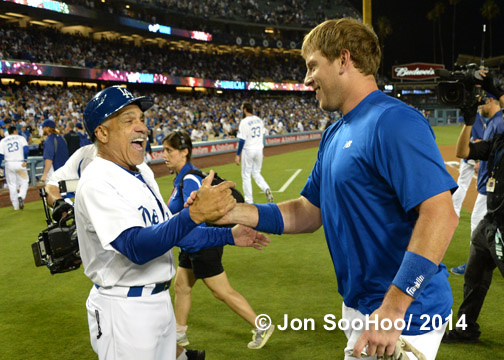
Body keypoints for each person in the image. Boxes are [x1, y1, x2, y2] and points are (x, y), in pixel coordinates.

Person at [208, 18, 459, 359]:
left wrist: (394, 308)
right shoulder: (335, 133)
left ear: (343, 60)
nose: (307, 78)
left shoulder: (394, 121)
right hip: (362, 306)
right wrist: (234, 211)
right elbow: (307, 212)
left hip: (404, 313)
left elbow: (441, 215)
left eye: (313, 66)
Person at [75, 85, 269, 360]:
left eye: (142, 119)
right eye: (129, 120)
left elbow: (176, 235)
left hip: (159, 303)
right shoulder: (96, 181)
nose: (142, 127)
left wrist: (229, 236)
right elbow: (135, 246)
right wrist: (193, 215)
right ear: (102, 132)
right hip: (124, 310)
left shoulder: (141, 172)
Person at [164, 130, 275, 350]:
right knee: (182, 286)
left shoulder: (189, 180)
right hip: (190, 246)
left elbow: (199, 216)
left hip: (201, 244)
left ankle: (261, 325)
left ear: (184, 152)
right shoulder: (183, 179)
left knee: (221, 291)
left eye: (169, 150)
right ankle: (178, 334)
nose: (164, 155)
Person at [442, 90, 504, 344]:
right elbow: (463, 151)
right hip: (491, 220)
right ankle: (466, 328)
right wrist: (469, 122)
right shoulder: (497, 141)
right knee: (474, 276)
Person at [450, 93, 504, 276]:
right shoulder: (493, 122)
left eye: (482, 104)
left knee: (478, 225)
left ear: (491, 101)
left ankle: (474, 265)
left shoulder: (498, 123)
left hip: (493, 188)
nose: (479, 108)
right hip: (488, 185)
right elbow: (463, 151)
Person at [235, 102, 274, 204]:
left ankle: (249, 201)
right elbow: (262, 136)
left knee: (246, 175)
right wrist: (262, 151)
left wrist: (237, 154)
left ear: (244, 110)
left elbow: (242, 140)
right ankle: (266, 189)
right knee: (256, 173)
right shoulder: (259, 120)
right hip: (258, 149)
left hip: (248, 150)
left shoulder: (244, 122)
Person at [0, 125, 29, 210]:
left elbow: (1, 155)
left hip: (9, 164)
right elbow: (26, 150)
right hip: (20, 164)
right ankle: (21, 196)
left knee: (12, 185)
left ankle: (16, 206)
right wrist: (25, 160)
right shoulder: (21, 138)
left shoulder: (3, 141)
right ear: (15, 131)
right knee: (24, 181)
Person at [40, 119, 69, 183]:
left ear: (48, 128)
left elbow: (49, 159)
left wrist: (44, 174)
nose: (42, 129)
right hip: (64, 171)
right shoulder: (62, 138)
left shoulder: (49, 140)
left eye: (43, 127)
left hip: (54, 171)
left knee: (51, 191)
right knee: (63, 191)